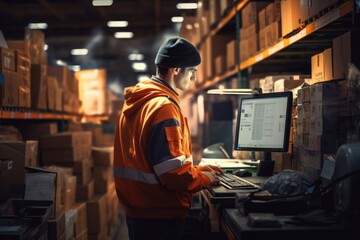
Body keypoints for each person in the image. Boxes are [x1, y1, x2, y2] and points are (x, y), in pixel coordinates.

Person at [113, 36, 224, 240]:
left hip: (139, 209)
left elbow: (151, 160)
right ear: (176, 70)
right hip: (158, 214)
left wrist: (197, 170)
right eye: (192, 71)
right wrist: (202, 179)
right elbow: (171, 173)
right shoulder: (164, 108)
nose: (193, 78)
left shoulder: (139, 102)